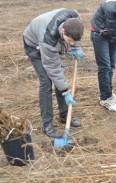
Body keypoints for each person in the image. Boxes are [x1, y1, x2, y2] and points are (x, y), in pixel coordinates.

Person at [23, 8, 85, 138]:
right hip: (34, 45)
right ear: (63, 31)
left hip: (48, 40)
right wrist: (66, 91)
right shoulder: (49, 39)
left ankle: (64, 116)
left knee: (59, 81)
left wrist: (76, 47)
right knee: (46, 82)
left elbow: (75, 35)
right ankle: (47, 125)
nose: (72, 43)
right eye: (70, 41)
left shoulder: (75, 18)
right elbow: (53, 68)